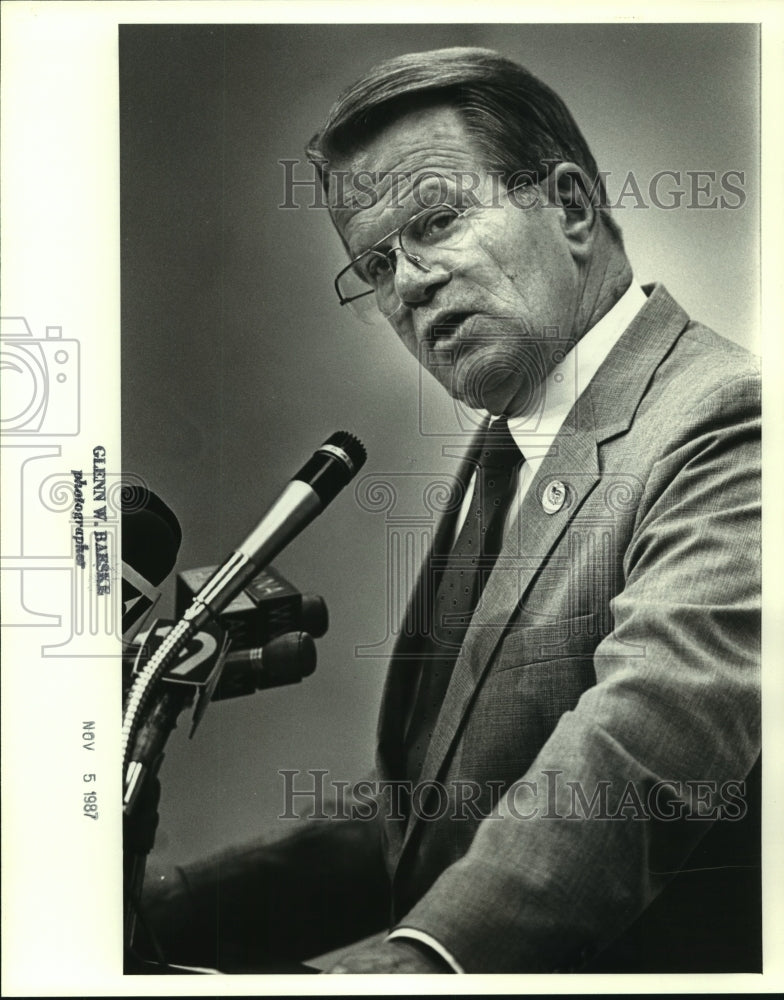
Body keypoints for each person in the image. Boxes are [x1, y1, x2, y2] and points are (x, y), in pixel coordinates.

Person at [139, 47, 760, 974]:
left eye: (437, 221)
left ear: (573, 207)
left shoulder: (727, 418)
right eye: (377, 265)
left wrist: (426, 959)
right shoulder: (503, 450)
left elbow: (648, 746)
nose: (411, 283)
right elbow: (430, 816)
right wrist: (177, 910)